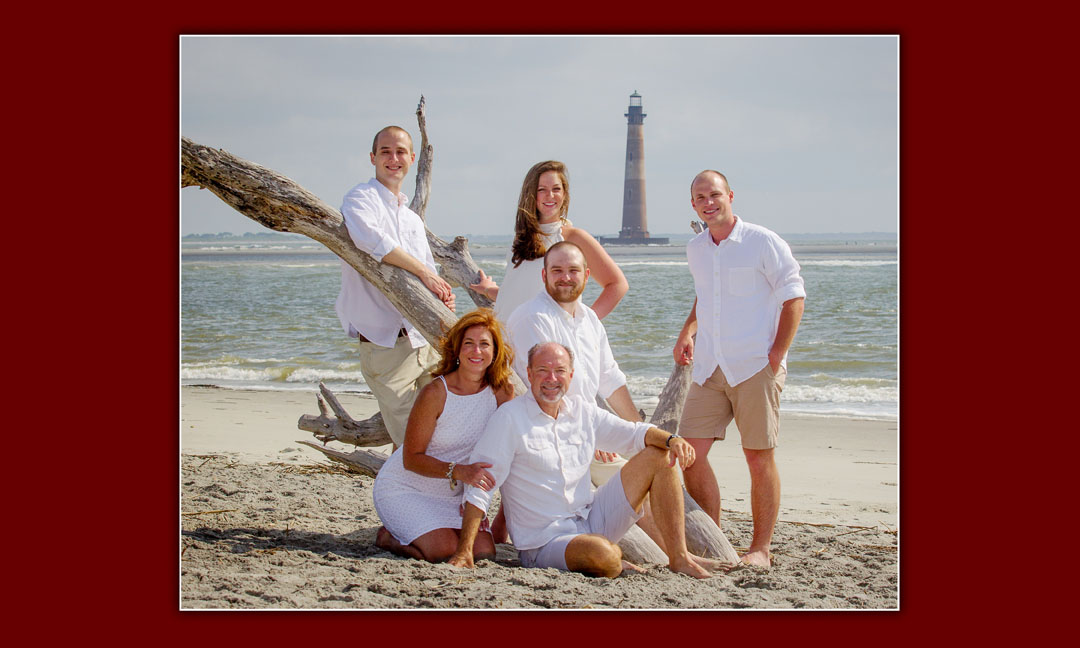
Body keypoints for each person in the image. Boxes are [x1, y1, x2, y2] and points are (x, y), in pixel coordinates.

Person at [447, 342, 732, 578]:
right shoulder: (509, 419)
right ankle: (614, 561)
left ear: (571, 376)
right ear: (529, 374)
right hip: (545, 542)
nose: (551, 379)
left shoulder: (582, 411)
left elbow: (634, 434)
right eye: (543, 371)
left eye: (559, 371)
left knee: (660, 455)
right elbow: (480, 485)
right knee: (604, 555)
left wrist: (673, 440)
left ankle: (679, 557)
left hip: (591, 517)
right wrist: (464, 550)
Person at [673, 170, 806, 568]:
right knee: (688, 454)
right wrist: (687, 332)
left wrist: (777, 353)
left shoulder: (762, 242)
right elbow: (705, 296)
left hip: (754, 366)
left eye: (714, 194)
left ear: (730, 195)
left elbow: (793, 295)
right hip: (710, 367)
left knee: (757, 457)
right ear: (693, 204)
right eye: (700, 196)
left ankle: (760, 549)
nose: (708, 201)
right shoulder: (696, 248)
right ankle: (712, 539)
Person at [335, 125, 456, 451]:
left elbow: (430, 274)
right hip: (384, 346)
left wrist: (442, 297)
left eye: (401, 151)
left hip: (424, 344)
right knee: (414, 445)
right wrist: (422, 273)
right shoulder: (361, 198)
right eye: (386, 151)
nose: (393, 158)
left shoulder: (412, 220)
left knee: (440, 431)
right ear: (373, 157)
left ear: (412, 158)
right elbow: (369, 239)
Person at [372, 308, 516, 562]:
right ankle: (389, 539)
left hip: (453, 494)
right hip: (406, 487)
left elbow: (503, 454)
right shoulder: (435, 393)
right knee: (441, 550)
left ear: (495, 352)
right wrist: (460, 471)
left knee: (484, 552)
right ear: (457, 349)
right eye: (468, 344)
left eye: (485, 344)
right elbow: (411, 459)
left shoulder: (501, 393)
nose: (476, 351)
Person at [469, 160, 628, 322]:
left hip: (544, 341)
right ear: (530, 194)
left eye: (556, 189)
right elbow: (521, 292)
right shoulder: (521, 237)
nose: (550, 195)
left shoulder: (573, 238)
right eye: (542, 189)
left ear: (564, 194)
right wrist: (489, 290)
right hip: (505, 338)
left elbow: (617, 284)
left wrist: (584, 323)